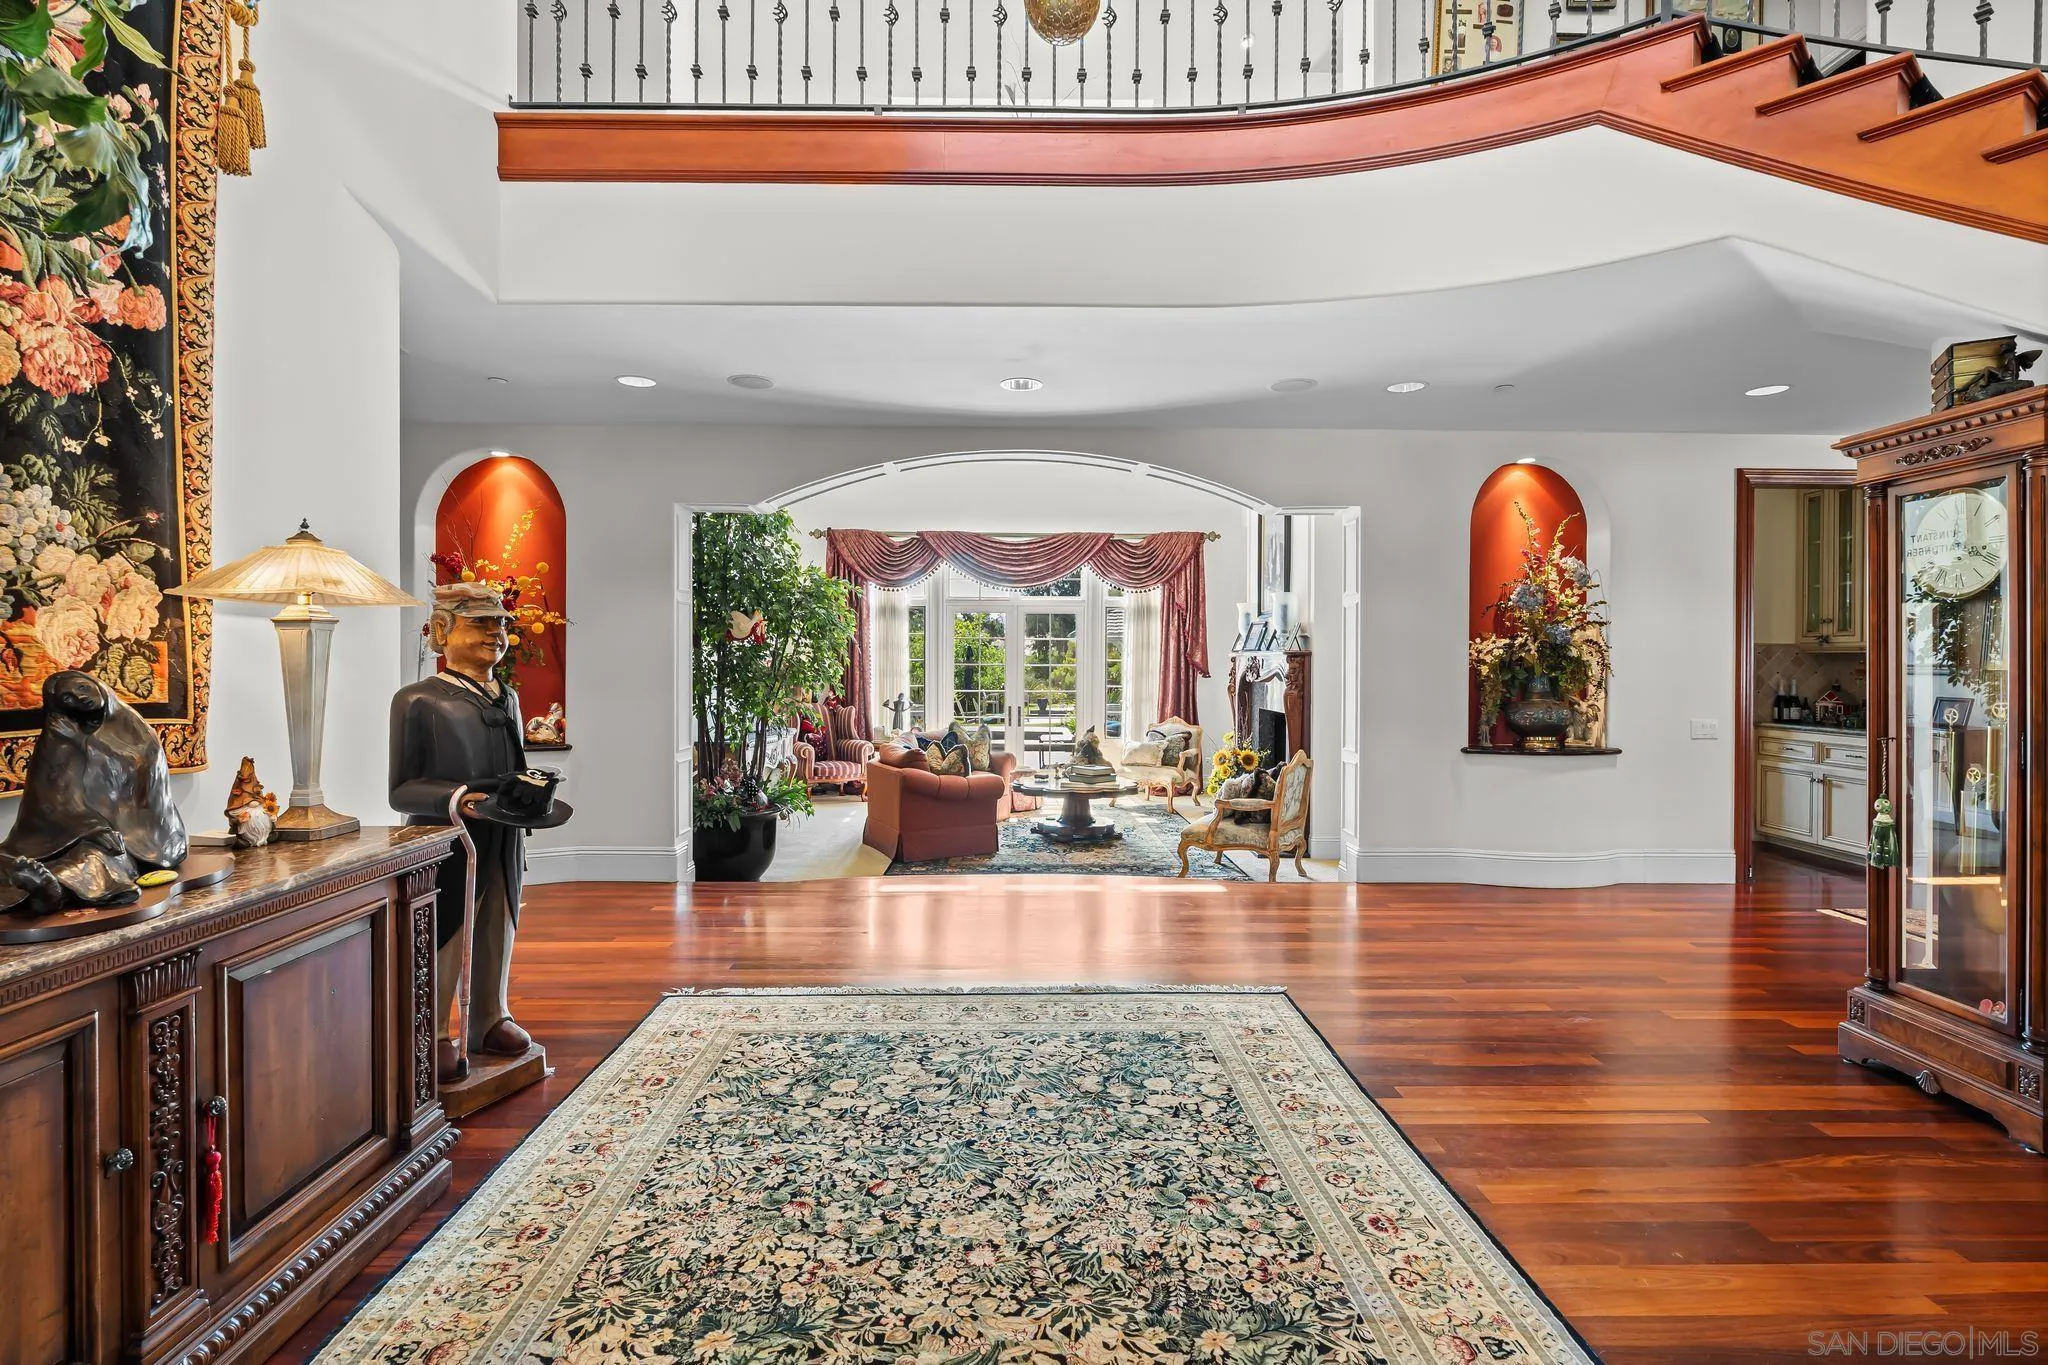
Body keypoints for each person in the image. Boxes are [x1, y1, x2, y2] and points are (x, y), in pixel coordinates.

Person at [389, 583, 531, 1081]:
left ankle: (490, 1016)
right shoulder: (418, 700)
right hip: (449, 841)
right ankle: (432, 1032)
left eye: (502, 624)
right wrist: (457, 800)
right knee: (447, 930)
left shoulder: (507, 697)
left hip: (505, 837)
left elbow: (516, 765)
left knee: (499, 922)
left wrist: (530, 792)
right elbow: (402, 790)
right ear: (442, 633)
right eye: (482, 623)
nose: (497, 632)